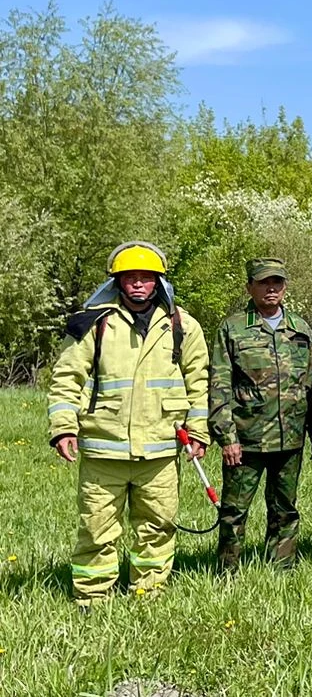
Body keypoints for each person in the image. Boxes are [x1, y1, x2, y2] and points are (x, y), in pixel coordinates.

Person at [47, 242, 209, 605]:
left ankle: (148, 594)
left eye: (145, 277)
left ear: (158, 282)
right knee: (96, 528)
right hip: (104, 447)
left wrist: (198, 431)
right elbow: (66, 377)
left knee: (157, 527)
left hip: (161, 450)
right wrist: (63, 426)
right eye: (130, 277)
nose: (138, 283)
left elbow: (199, 383)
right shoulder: (94, 322)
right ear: (117, 281)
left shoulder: (182, 325)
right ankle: (92, 598)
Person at [210, 257, 312, 571]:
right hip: (247, 440)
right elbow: (219, 387)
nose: (271, 288)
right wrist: (227, 438)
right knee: (234, 511)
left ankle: (281, 569)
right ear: (250, 287)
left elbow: (311, 386)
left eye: (277, 282)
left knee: (285, 510)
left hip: (290, 438)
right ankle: (227, 572)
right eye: (263, 283)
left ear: (285, 287)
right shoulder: (233, 329)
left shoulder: (301, 330)